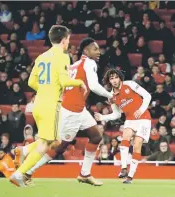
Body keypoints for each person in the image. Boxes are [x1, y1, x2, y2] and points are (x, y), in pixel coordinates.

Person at [16, 38, 112, 186]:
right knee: (59, 146)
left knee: (96, 136)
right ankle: (27, 168)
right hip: (72, 111)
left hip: (77, 108)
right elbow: (93, 85)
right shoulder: (89, 63)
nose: (98, 52)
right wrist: (111, 95)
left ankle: (84, 174)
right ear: (86, 51)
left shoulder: (73, 66)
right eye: (95, 49)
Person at [9, 25, 87, 187]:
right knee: (45, 144)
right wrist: (80, 82)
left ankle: (22, 151)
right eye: (68, 39)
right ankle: (19, 174)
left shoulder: (41, 56)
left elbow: (31, 82)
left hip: (38, 103)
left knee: (54, 140)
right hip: (51, 105)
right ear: (65, 40)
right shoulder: (63, 56)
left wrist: (45, 89)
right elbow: (65, 82)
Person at [95, 68, 152, 184]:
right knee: (125, 138)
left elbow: (147, 96)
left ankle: (130, 176)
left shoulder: (130, 84)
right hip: (130, 119)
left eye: (116, 77)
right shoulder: (111, 96)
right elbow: (117, 114)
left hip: (144, 118)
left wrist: (141, 110)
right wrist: (103, 117)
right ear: (109, 81)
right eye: (112, 78)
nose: (115, 80)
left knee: (137, 145)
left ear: (120, 77)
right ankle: (124, 169)